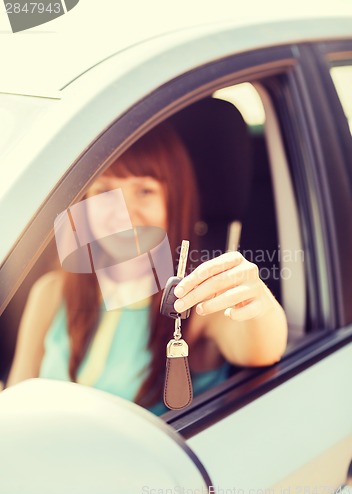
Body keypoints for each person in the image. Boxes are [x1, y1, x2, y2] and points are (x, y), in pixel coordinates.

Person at [6, 122, 288, 415]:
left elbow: (265, 350)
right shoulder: (52, 292)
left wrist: (256, 301)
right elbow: (15, 402)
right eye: (104, 192)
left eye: (144, 191)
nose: (123, 213)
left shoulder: (199, 298)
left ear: (174, 201)